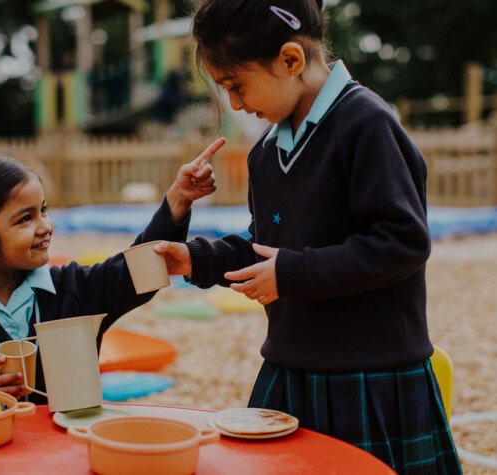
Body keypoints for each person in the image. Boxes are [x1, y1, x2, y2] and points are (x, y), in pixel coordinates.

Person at [154, 1, 462, 473]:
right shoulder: (266, 154)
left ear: (291, 60)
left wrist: (293, 272)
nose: (235, 104)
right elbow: (266, 244)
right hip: (291, 369)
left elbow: (403, 242)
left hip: (369, 374)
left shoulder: (366, 124)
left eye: (236, 86)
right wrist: (197, 259)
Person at [0, 137, 225, 405]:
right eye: (25, 219)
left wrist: (178, 200)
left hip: (66, 453)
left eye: (43, 211)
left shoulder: (75, 289)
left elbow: (140, 271)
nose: (45, 227)